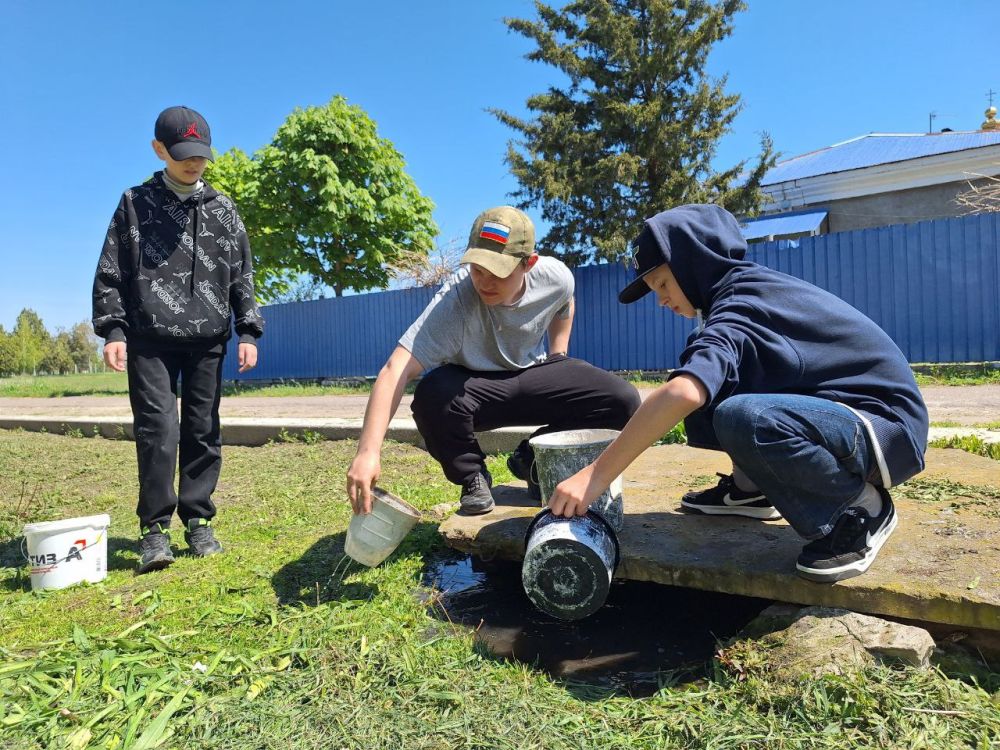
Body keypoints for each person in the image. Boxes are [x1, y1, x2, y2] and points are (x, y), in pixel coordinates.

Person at [547, 204, 928, 583]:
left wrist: (595, 476)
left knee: (735, 411)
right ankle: (752, 490)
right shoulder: (739, 295)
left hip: (884, 429)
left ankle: (859, 509)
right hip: (844, 418)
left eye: (662, 284)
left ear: (695, 262)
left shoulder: (742, 304)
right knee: (705, 367)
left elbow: (682, 394)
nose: (661, 299)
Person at [346, 206, 641, 516]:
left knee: (623, 401)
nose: (484, 282)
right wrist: (368, 452)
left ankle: (533, 460)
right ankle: (473, 477)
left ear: (529, 263)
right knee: (433, 394)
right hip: (474, 387)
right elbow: (395, 370)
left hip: (533, 374)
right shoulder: (457, 299)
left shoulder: (555, 277)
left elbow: (565, 301)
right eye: (478, 269)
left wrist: (559, 353)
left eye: (498, 272)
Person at [92, 106, 264, 574]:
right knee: (158, 430)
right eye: (183, 154)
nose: (194, 164)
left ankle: (199, 519)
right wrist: (112, 328)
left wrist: (247, 328)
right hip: (150, 339)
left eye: (201, 156)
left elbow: (242, 273)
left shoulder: (223, 209)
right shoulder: (135, 202)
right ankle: (154, 529)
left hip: (209, 338)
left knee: (202, 428)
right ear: (159, 150)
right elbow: (112, 270)